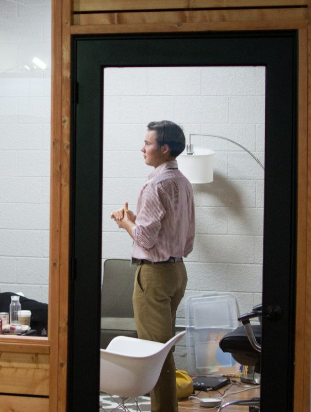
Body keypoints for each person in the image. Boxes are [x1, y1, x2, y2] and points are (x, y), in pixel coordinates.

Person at [111, 120, 195, 412]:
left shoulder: (155, 184)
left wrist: (125, 223)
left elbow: (145, 240)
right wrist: (134, 219)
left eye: (147, 143)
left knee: (154, 353)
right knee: (163, 350)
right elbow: (179, 236)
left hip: (155, 276)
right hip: (177, 273)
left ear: (164, 148)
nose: (142, 148)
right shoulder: (183, 183)